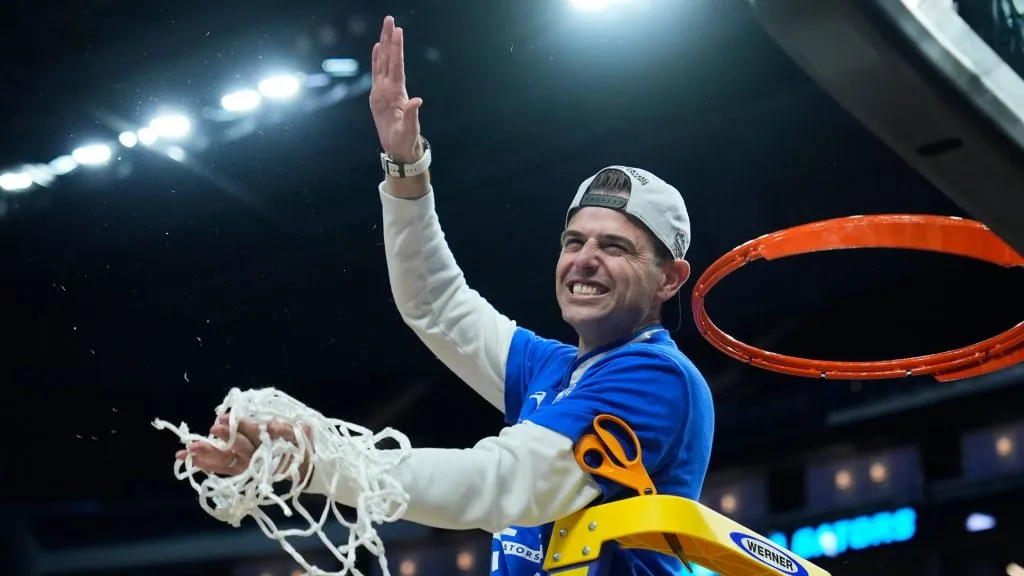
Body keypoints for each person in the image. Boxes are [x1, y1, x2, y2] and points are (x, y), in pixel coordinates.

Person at [178, 14, 714, 576]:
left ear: (670, 279)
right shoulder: (553, 370)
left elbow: (501, 484)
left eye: (615, 247)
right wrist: (406, 169)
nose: (584, 259)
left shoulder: (655, 378)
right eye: (573, 241)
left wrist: (317, 458)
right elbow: (436, 305)